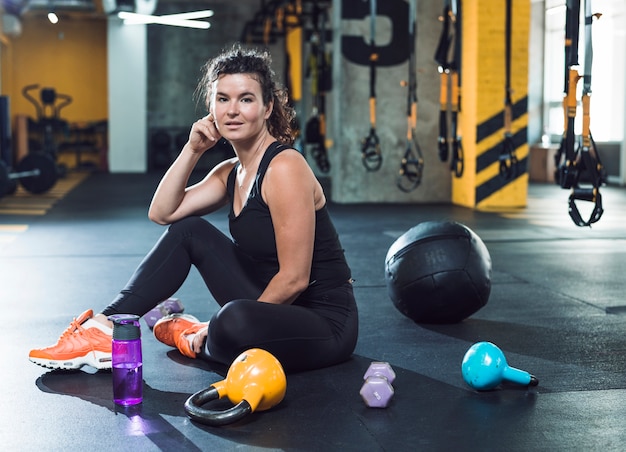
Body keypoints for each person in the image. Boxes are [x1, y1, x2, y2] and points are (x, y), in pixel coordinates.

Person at [28, 44, 358, 374]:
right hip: (267, 306)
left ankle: (197, 334)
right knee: (190, 231)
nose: (233, 110)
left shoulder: (284, 167)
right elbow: (163, 213)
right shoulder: (231, 172)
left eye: (246, 99)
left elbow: (294, 279)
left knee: (233, 319)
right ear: (210, 107)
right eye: (223, 99)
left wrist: (218, 326)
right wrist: (193, 149)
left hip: (322, 322)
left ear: (268, 106)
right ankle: (105, 328)